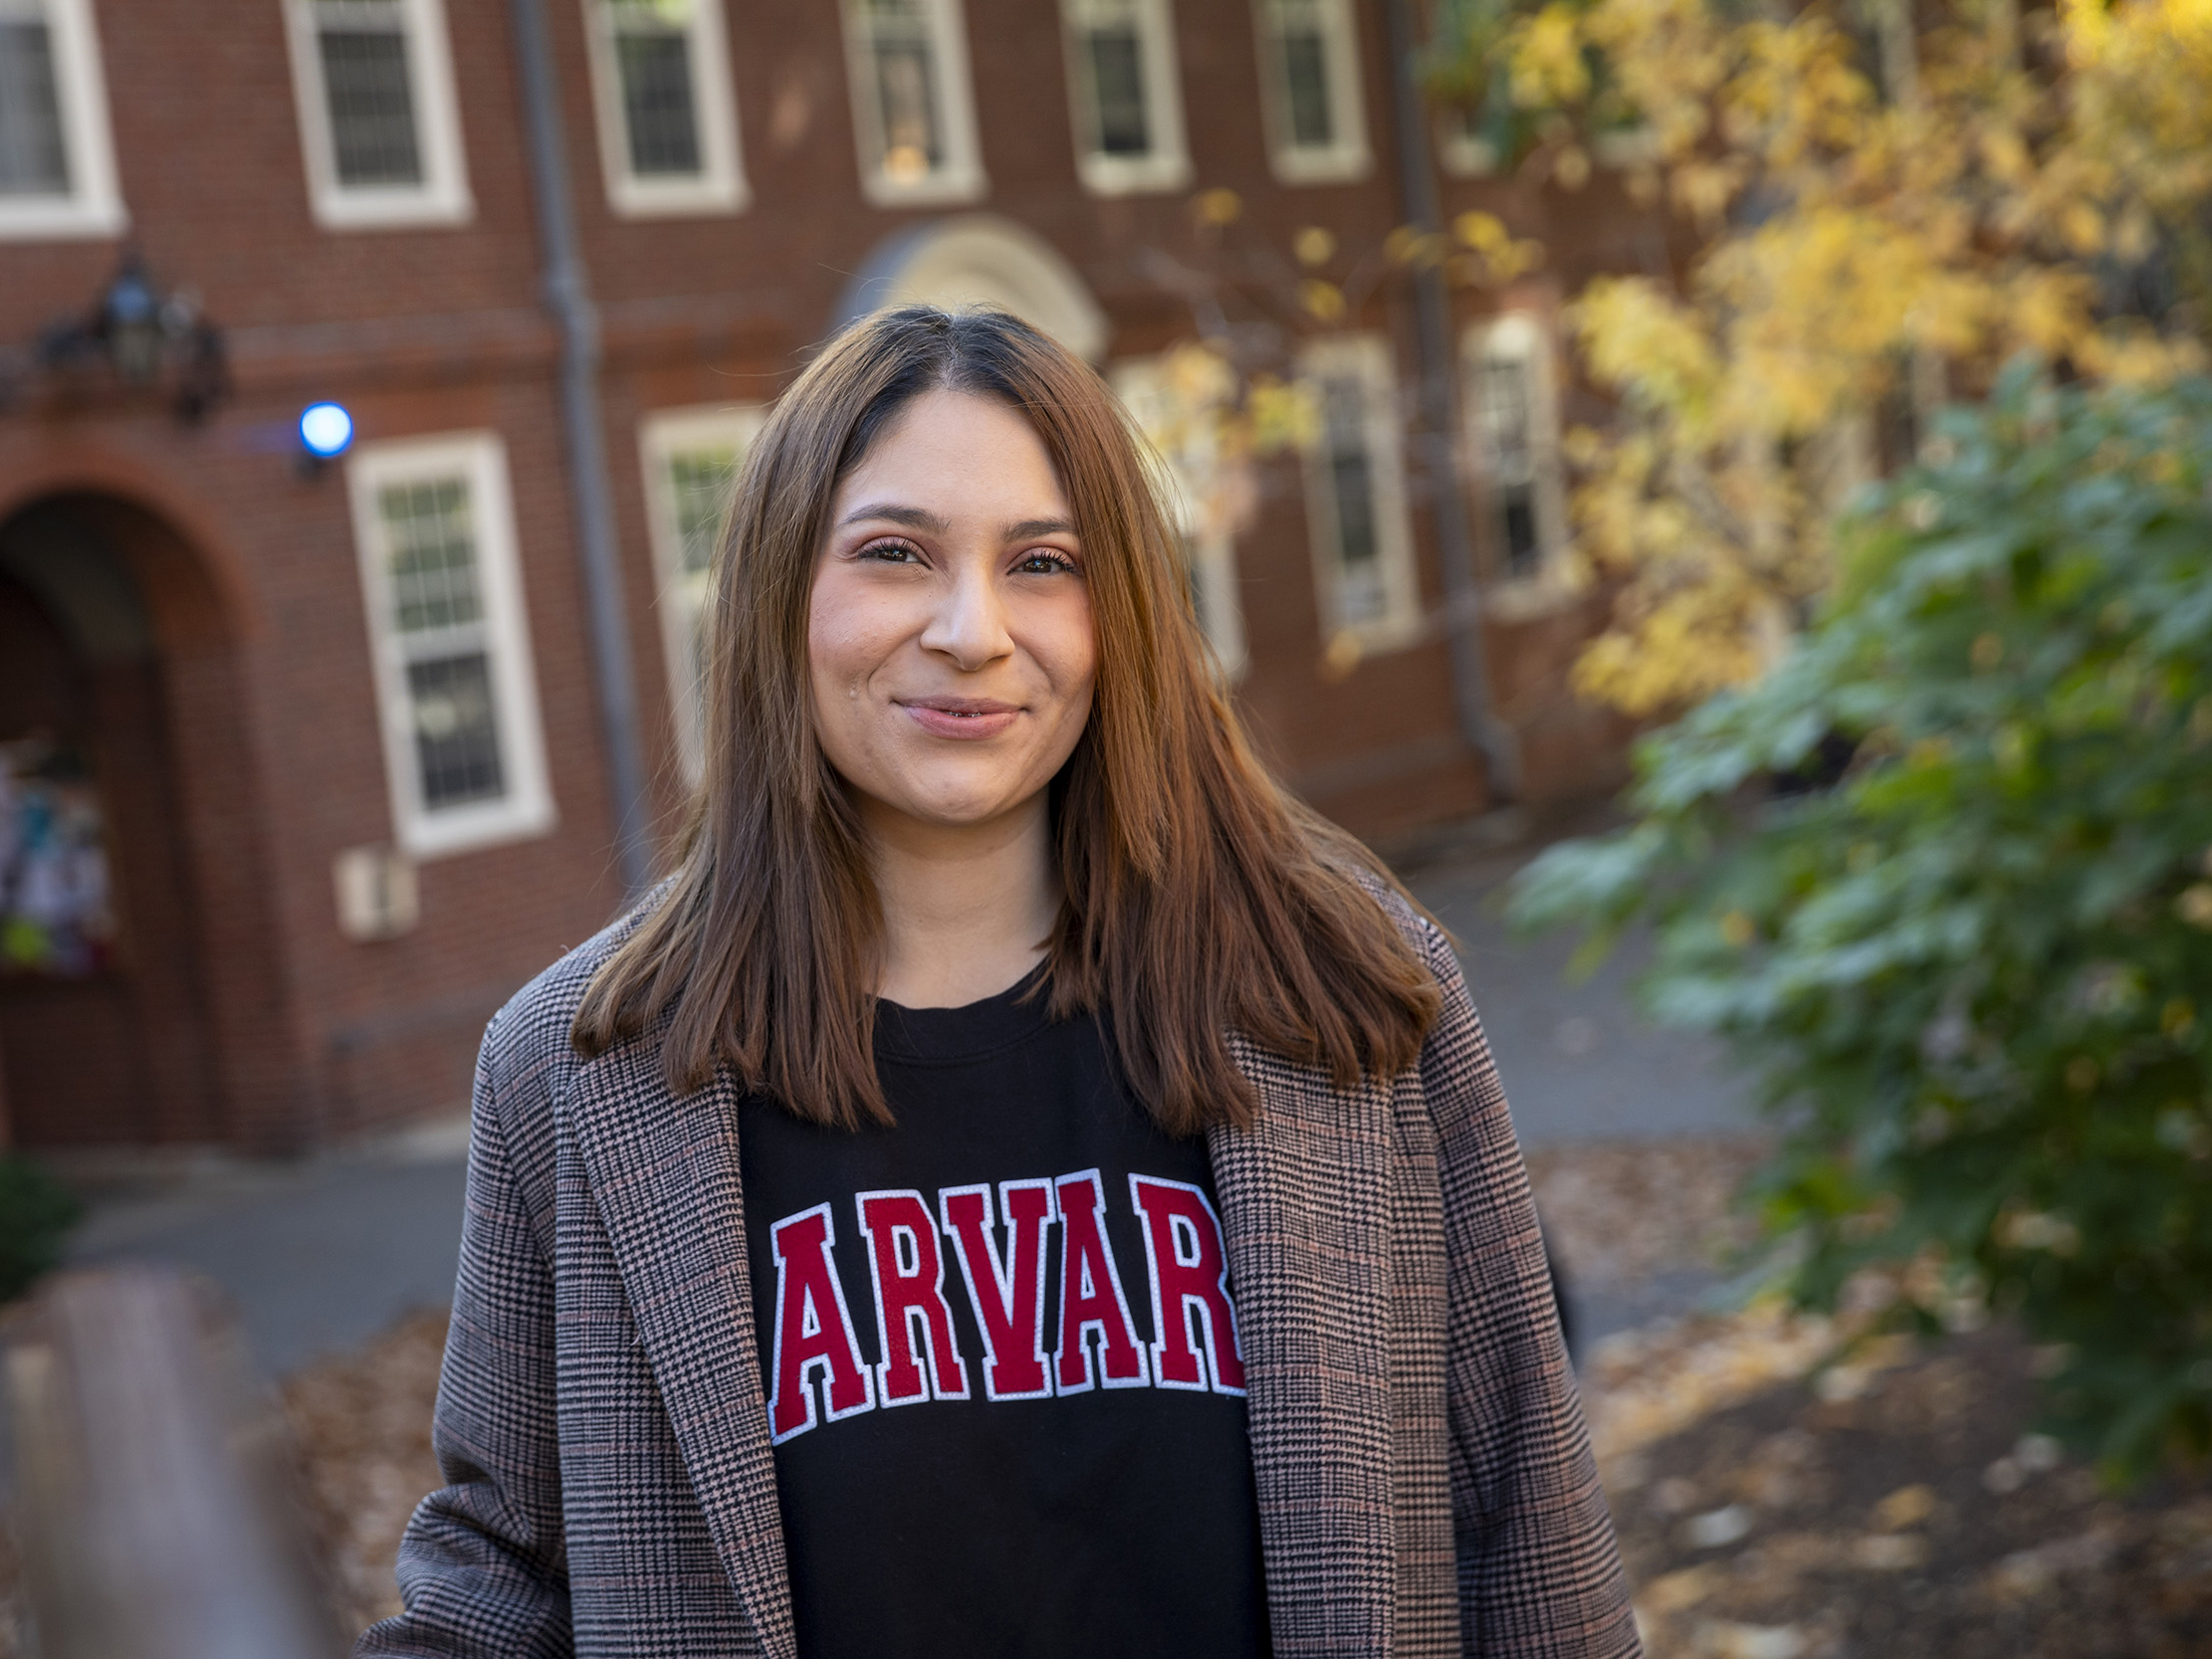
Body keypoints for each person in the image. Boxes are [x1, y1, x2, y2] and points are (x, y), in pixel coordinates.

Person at [358, 308, 1638, 1659]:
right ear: (781, 586)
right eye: (896, 554)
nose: (972, 631)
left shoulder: (1345, 997)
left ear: (1124, 614)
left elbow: (1528, 1523)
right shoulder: (579, 1068)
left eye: (1043, 563)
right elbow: (501, 1582)